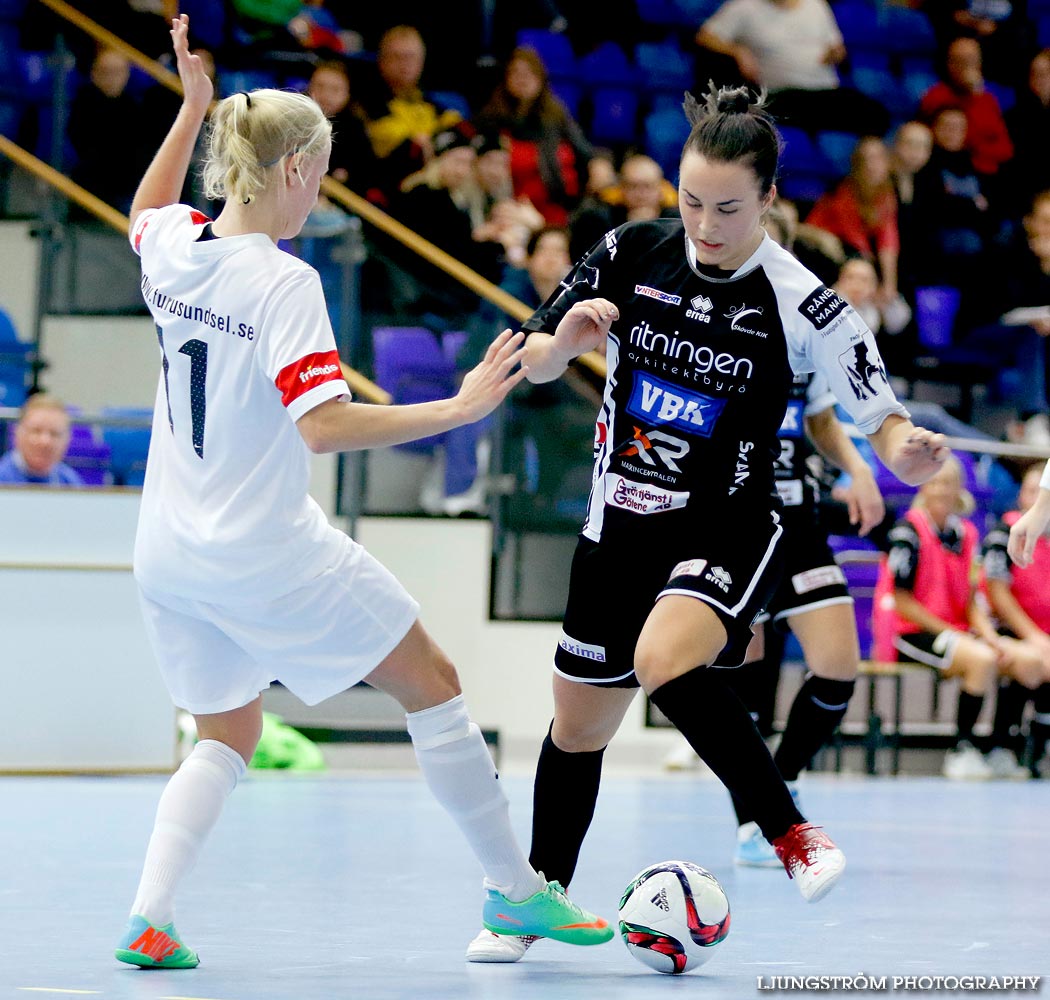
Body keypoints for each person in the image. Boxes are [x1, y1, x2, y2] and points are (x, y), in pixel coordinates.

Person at [114, 16, 613, 969]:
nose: (323, 188)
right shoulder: (283, 281)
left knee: (228, 727)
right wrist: (457, 409)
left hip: (167, 554)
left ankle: (150, 913)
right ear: (295, 169)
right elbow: (324, 426)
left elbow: (146, 208)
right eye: (322, 170)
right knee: (433, 682)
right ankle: (517, 894)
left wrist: (190, 109)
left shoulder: (176, 247)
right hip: (264, 549)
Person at [466, 83, 949, 963]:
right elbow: (537, 359)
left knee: (663, 660)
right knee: (577, 730)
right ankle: (535, 901)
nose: (704, 223)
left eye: (727, 207)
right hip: (617, 522)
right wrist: (565, 339)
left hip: (727, 521)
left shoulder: (806, 303)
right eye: (692, 201)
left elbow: (881, 416)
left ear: (768, 198)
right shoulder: (631, 249)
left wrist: (904, 449)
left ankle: (790, 832)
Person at [872, 457, 1045, 779]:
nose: (940, 490)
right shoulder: (907, 532)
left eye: (947, 483)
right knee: (980, 660)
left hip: (956, 630)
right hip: (910, 632)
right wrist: (961, 636)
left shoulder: (964, 533)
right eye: (934, 483)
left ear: (958, 490)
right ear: (924, 487)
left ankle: (998, 749)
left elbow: (970, 601)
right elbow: (902, 601)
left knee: (1028, 660)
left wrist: (992, 637)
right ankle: (961, 750)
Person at [695, 0, 889, 137]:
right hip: (781, 93)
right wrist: (737, 51)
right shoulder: (744, 7)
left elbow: (836, 46)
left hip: (825, 92)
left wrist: (835, 54)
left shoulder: (816, 5)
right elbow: (705, 36)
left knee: (876, 114)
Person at [981, 463, 1050, 777]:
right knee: (1032, 660)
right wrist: (1033, 635)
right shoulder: (1003, 533)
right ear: (1022, 495)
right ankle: (1001, 747)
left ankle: (1038, 749)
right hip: (1011, 629)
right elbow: (998, 592)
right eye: (1033, 492)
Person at [475, 45, 593, 227]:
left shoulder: (557, 115)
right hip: (507, 208)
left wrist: (599, 165)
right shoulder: (491, 118)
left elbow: (584, 152)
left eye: (529, 73)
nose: (523, 79)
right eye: (516, 73)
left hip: (555, 206)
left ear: (541, 78)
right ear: (506, 78)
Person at [354, 25, 463, 200]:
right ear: (382, 61)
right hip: (394, 189)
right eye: (398, 57)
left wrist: (430, 141)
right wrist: (433, 141)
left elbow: (459, 130)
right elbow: (397, 144)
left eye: (411, 57)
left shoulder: (429, 102)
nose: (405, 64)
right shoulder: (368, 104)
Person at [806, 137, 901, 308]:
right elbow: (853, 237)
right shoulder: (844, 192)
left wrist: (889, 284)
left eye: (879, 158)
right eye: (866, 159)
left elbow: (888, 240)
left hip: (853, 253)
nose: (872, 165)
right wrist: (874, 281)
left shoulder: (887, 194)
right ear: (857, 164)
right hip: (822, 250)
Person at [919, 36, 1013, 182]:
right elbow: (948, 142)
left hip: (983, 174)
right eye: (960, 61)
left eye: (971, 61)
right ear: (949, 64)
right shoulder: (935, 96)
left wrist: (976, 95)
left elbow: (1005, 149)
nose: (966, 67)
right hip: (941, 170)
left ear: (980, 64)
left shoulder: (987, 100)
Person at [0, 394, 85, 487]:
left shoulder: (70, 483)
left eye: (54, 433)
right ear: (17, 433)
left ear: (67, 440)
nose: (45, 441)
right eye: (36, 431)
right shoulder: (3, 477)